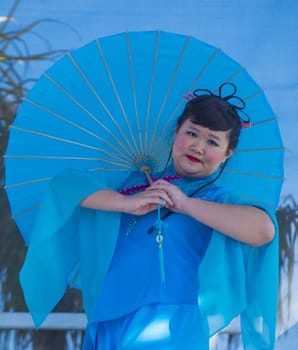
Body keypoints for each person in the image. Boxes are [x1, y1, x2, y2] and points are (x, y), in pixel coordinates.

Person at [19, 85, 279, 350]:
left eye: (212, 141)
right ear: (176, 132)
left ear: (227, 155)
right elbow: (64, 185)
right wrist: (124, 202)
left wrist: (186, 204)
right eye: (191, 133)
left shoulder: (216, 199)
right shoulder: (134, 180)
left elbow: (264, 230)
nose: (198, 146)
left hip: (170, 322)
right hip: (109, 315)